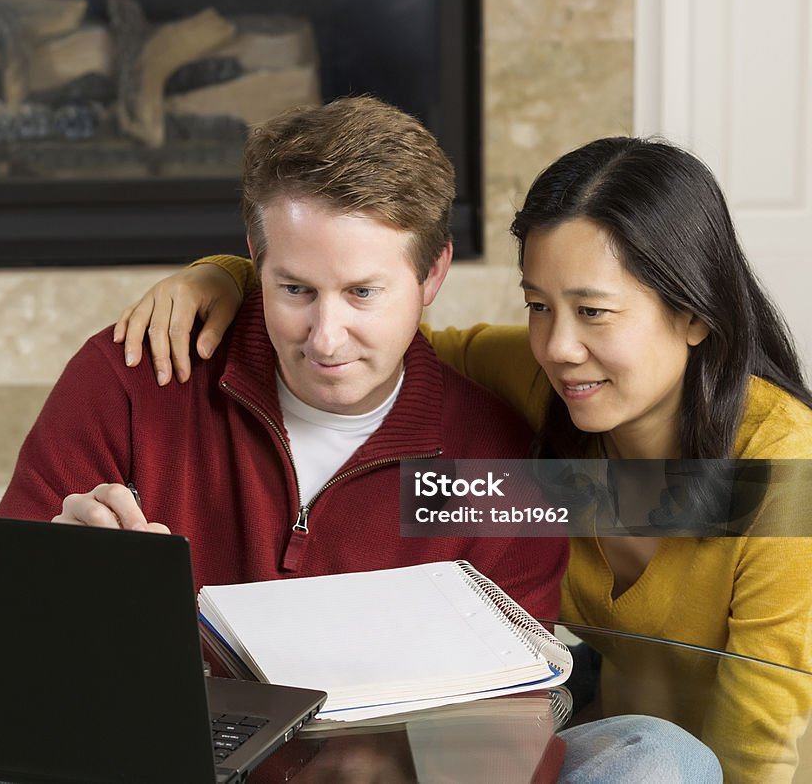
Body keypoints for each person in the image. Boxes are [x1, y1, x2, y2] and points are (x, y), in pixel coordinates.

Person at [114, 136, 812, 783]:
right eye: (539, 306)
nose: (558, 346)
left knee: (664, 759)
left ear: (694, 314)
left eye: (594, 311)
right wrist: (232, 277)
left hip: (721, 761)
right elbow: (370, 336)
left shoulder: (783, 469)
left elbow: (763, 743)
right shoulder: (545, 384)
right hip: (597, 718)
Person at [0, 95, 566, 621]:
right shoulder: (135, 378)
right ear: (254, 257)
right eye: (295, 290)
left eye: (362, 293)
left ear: (433, 274)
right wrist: (51, 573)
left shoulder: (498, 467)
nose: (325, 339)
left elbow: (515, 706)